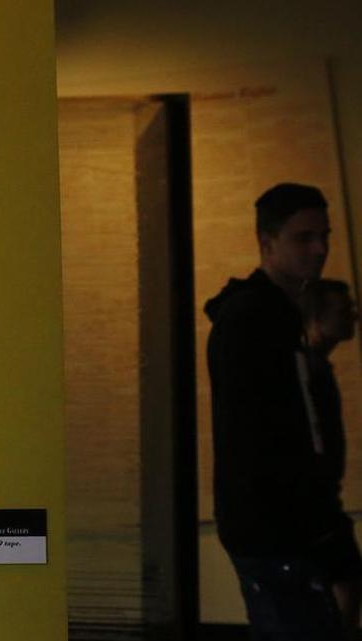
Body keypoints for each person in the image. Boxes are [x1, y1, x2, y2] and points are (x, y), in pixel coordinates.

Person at [205, 182, 351, 640]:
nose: (320, 249)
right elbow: (266, 434)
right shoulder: (255, 320)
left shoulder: (271, 315)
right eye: (304, 237)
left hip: (279, 524)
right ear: (268, 243)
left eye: (324, 236)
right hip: (277, 528)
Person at [300, 278, 362, 635]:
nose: (353, 316)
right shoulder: (311, 370)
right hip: (318, 508)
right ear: (317, 317)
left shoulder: (313, 366)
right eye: (344, 310)